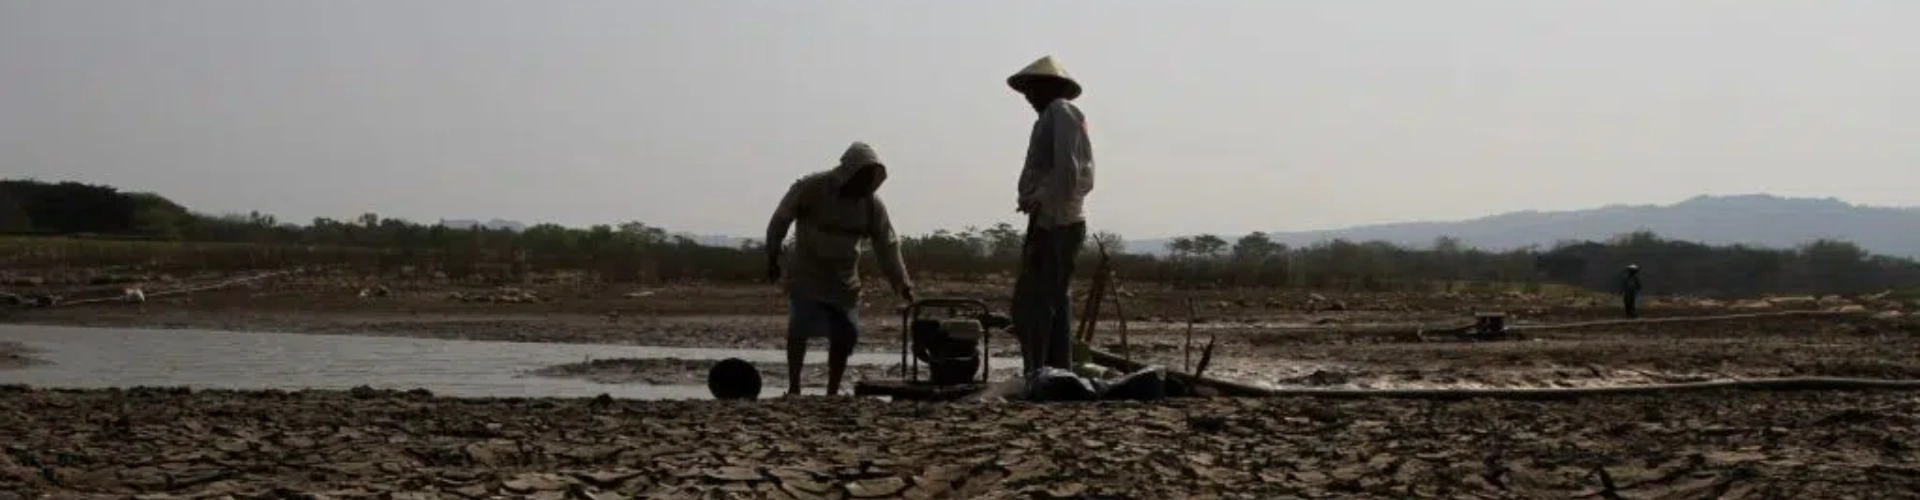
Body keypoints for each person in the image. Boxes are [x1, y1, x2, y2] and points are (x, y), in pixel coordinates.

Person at [766, 141, 916, 396]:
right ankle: (794, 387)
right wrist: (772, 255)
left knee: (845, 335)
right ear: (849, 172)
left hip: (844, 281)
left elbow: (887, 245)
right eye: (862, 175)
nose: (865, 182)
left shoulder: (871, 205)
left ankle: (832, 390)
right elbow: (780, 219)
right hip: (807, 274)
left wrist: (902, 284)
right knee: (799, 328)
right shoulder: (810, 188)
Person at [1006, 56, 1095, 373]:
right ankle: (1053, 369)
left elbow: (1069, 171)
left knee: (1033, 303)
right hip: (1052, 219)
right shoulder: (1052, 117)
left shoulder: (1061, 112)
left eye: (1032, 89)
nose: (1028, 97)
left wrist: (1043, 204)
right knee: (1052, 299)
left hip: (1056, 222)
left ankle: (1042, 371)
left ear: (1048, 87)